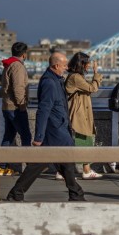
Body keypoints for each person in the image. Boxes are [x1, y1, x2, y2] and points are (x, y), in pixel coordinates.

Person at [6, 52, 85, 202]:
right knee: (57, 162)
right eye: (64, 65)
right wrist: (39, 137)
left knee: (57, 163)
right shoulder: (49, 82)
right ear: (56, 66)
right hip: (55, 130)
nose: (66, 68)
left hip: (58, 127)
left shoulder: (55, 80)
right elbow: (43, 110)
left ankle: (75, 193)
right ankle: (76, 193)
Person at [65, 52, 103, 179]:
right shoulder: (76, 77)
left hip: (82, 111)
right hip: (79, 112)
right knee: (83, 139)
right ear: (81, 64)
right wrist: (96, 73)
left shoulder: (77, 76)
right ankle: (83, 170)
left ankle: (85, 169)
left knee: (84, 139)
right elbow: (92, 88)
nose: (89, 65)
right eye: (87, 63)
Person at [0, 42, 32, 176]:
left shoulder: (8, 65)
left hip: (7, 106)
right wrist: (22, 105)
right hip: (15, 107)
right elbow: (18, 87)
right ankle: (30, 166)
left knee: (8, 136)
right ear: (24, 54)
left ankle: (2, 167)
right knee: (26, 135)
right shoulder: (17, 66)